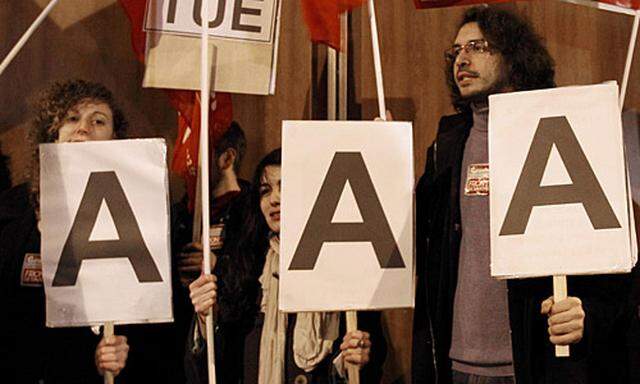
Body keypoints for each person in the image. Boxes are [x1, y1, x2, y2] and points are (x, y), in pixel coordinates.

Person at [411, 7, 630, 384]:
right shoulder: (444, 149)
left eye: (477, 46)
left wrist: (588, 313)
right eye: (455, 51)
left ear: (514, 55)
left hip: (536, 364)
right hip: (457, 365)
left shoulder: (564, 129)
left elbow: (612, 262)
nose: (461, 59)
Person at [185, 148, 387, 383]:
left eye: (285, 187)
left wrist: (351, 362)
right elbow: (211, 368)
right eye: (265, 191)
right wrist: (204, 319)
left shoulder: (341, 268)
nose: (274, 199)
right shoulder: (245, 268)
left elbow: (369, 361)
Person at [0, 79, 130, 383]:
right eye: (72, 118)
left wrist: (111, 356)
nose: (83, 128)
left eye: (98, 121)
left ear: (115, 140)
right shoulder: (8, 209)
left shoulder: (129, 218)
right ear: (53, 133)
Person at [166, 121, 251, 384]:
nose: (185, 165)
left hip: (234, 359)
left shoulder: (251, 211)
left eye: (194, 155)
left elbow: (259, 277)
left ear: (226, 158)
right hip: (180, 357)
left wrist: (218, 266)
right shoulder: (179, 215)